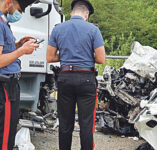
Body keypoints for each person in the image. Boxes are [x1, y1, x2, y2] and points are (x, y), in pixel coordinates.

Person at [46, 0, 106, 149]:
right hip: (86, 79)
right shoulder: (93, 30)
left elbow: (50, 57)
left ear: (72, 13)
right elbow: (101, 59)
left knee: (65, 123)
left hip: (65, 77)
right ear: (86, 15)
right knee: (86, 124)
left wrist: (66, 55)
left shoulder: (58, 29)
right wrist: (85, 55)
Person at [0, 0, 39, 149]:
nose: (20, 14)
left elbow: (5, 51)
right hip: (5, 86)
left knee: (8, 131)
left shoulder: (4, 21)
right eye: (19, 9)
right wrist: (21, 51)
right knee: (5, 136)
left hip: (9, 84)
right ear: (9, 2)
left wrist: (18, 45)